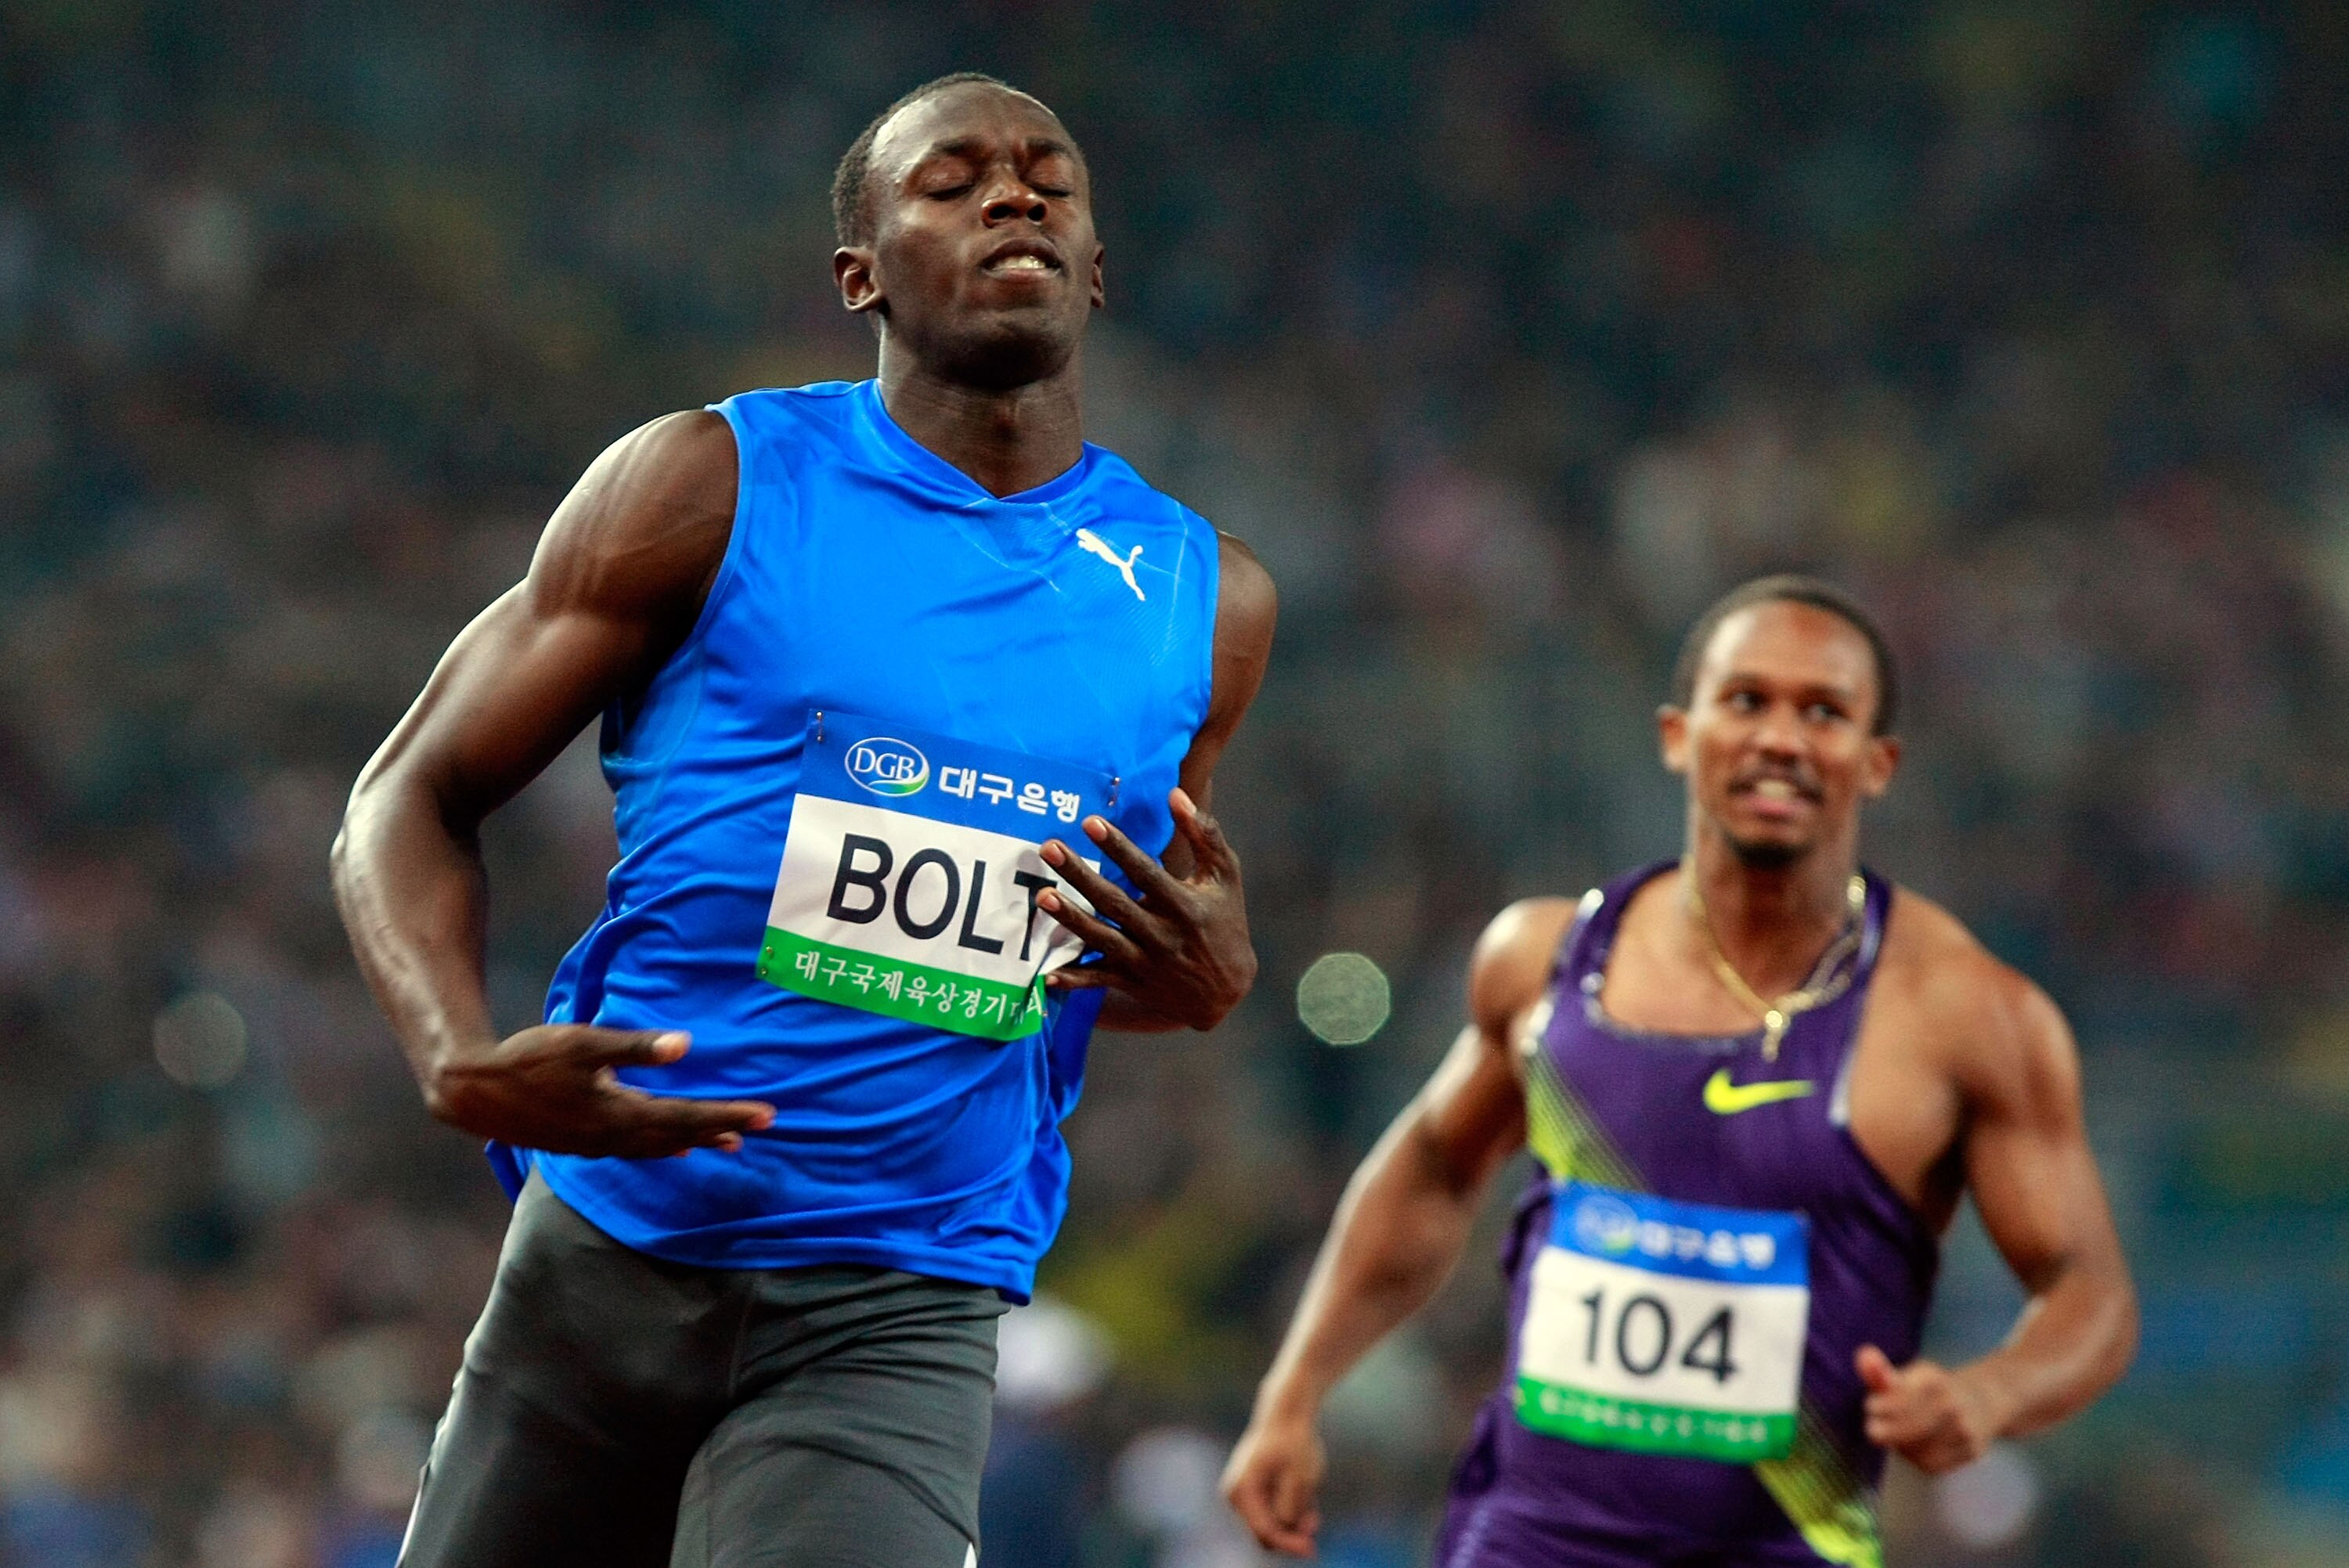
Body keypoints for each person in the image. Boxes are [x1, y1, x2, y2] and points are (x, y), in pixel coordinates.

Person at [331, 73, 1276, 1568]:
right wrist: (455, 1056)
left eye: (1049, 178)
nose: (1013, 195)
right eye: (952, 180)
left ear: (1097, 264)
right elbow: (408, 790)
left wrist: (1206, 978)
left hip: (897, 1302)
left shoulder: (1202, 599)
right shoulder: (706, 484)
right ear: (861, 275)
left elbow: (1075, 953)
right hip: (609, 1254)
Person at [1223, 576, 2135, 1567]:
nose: (1781, 737)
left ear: (1878, 763)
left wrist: (1985, 1393)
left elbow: (2089, 1292)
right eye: (1746, 700)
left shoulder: (1970, 1017)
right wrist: (1295, 1393)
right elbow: (1434, 1170)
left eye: (1823, 711)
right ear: (1676, 733)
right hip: (1528, 1538)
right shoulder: (1544, 960)